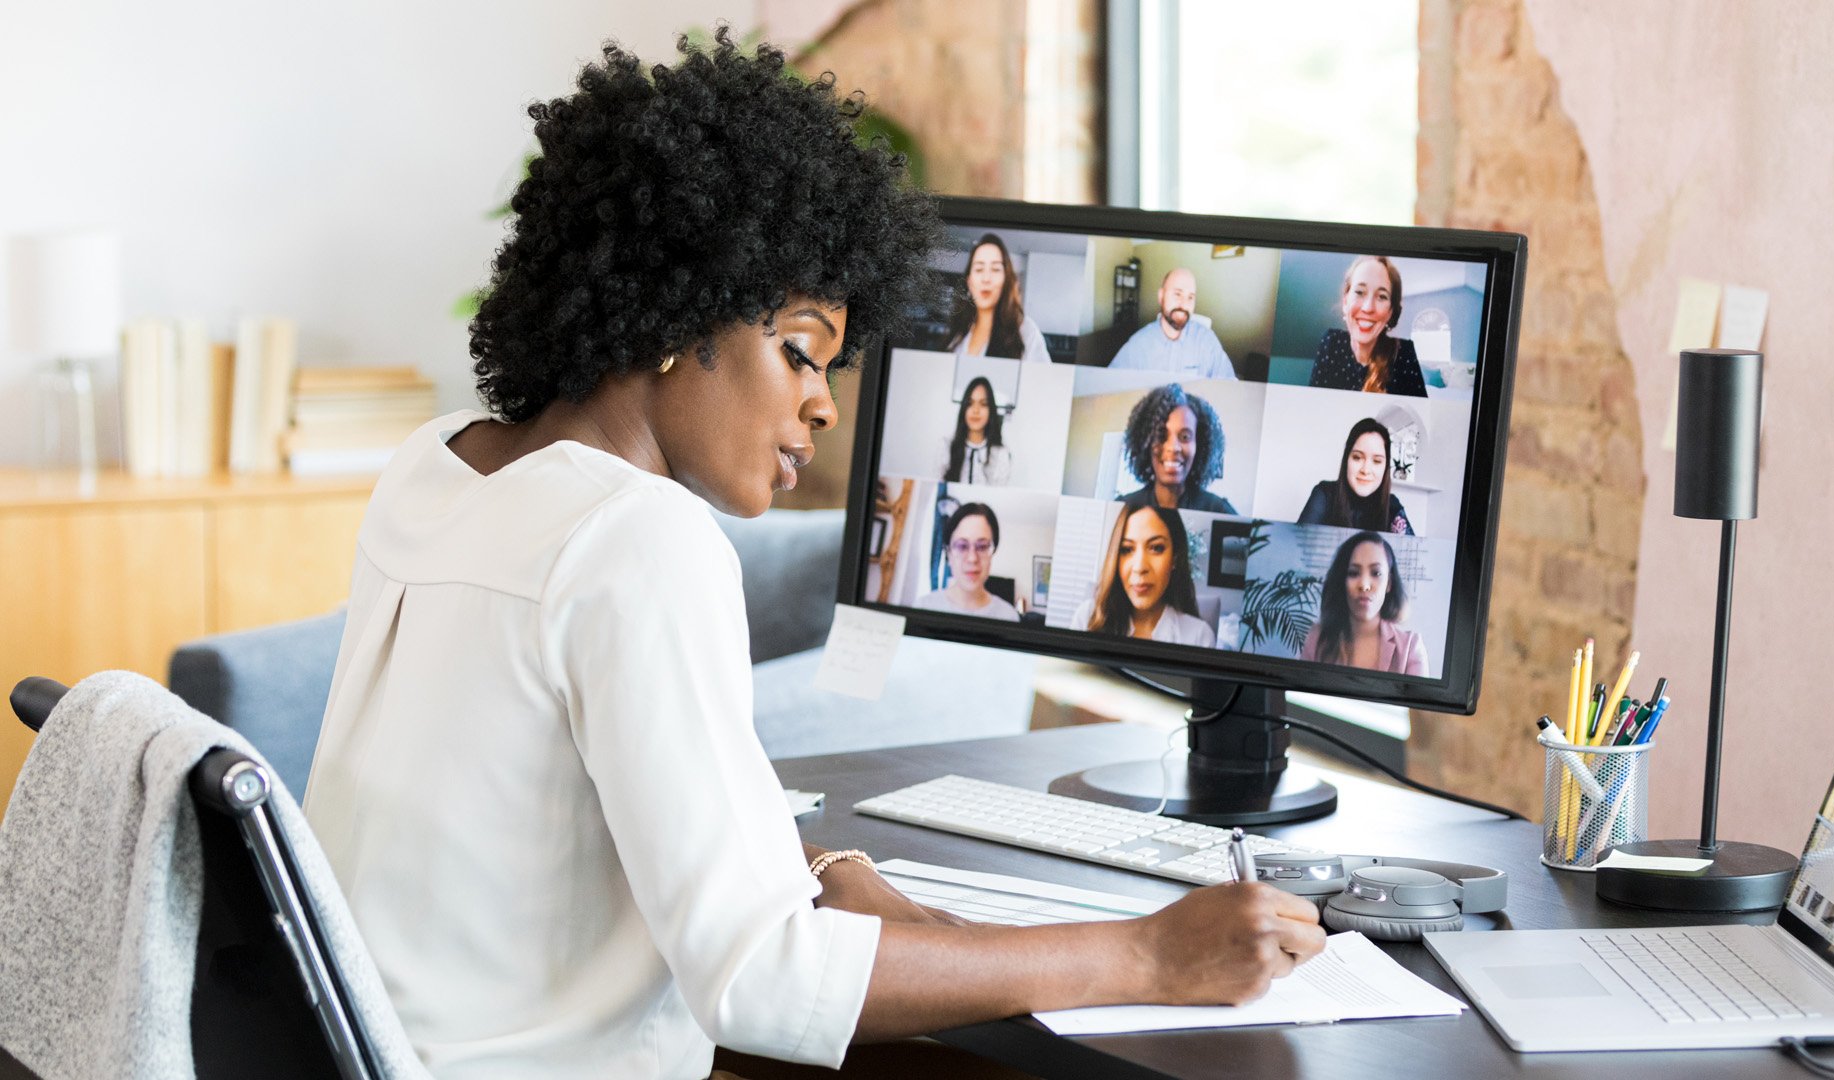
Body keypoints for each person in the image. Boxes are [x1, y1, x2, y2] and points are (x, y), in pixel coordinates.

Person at [301, 33, 1324, 1079]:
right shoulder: (636, 538)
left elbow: (591, 803)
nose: (824, 405)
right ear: (677, 315)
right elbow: (764, 982)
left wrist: (823, 862)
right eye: (797, 352)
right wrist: (1146, 953)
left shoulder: (436, 466)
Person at [1069, 504, 1216, 646]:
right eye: (1127, 549)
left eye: (1156, 548)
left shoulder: (1199, 636)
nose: (1139, 567)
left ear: (1174, 558)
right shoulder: (1087, 618)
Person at [1302, 531, 1429, 675]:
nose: (1364, 585)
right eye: (1353, 573)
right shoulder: (1316, 639)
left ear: (1389, 583)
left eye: (1376, 573)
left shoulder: (1410, 648)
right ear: (1342, 581)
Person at [1307, 255, 1429, 397]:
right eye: (1359, 292)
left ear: (1390, 312)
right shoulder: (1332, 342)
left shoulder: (1404, 354)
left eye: (1382, 296)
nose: (1368, 307)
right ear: (1345, 302)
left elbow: (1419, 410)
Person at [1114, 383, 1238, 514]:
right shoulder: (1122, 508)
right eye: (1161, 435)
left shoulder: (1218, 511)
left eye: (1185, 437)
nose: (1173, 447)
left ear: (1199, 445)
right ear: (1145, 443)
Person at [1107, 267, 1237, 379]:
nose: (1184, 304)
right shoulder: (1139, 344)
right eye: (1177, 294)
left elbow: (1229, 384)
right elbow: (1111, 384)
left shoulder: (1207, 341)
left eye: (1190, 297)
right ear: (1161, 296)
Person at [1296, 417, 1415, 535]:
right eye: (1357, 457)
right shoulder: (1324, 494)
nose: (1366, 470)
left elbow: (1412, 546)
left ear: (1385, 467)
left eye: (1377, 461)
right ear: (1346, 459)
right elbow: (1298, 541)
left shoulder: (1392, 506)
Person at [946, 233, 1052, 362]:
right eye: (979, 269)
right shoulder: (960, 327)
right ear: (969, 282)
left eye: (995, 269)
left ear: (1006, 280)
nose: (986, 279)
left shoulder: (1025, 330)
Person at [914, 502, 1019, 620]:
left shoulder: (1009, 616)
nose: (972, 558)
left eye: (982, 547)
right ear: (949, 554)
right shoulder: (923, 608)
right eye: (962, 546)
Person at [941, 376, 1011, 485]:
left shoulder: (1001, 454)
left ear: (991, 410)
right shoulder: (946, 446)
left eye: (983, 404)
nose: (976, 410)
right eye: (970, 403)